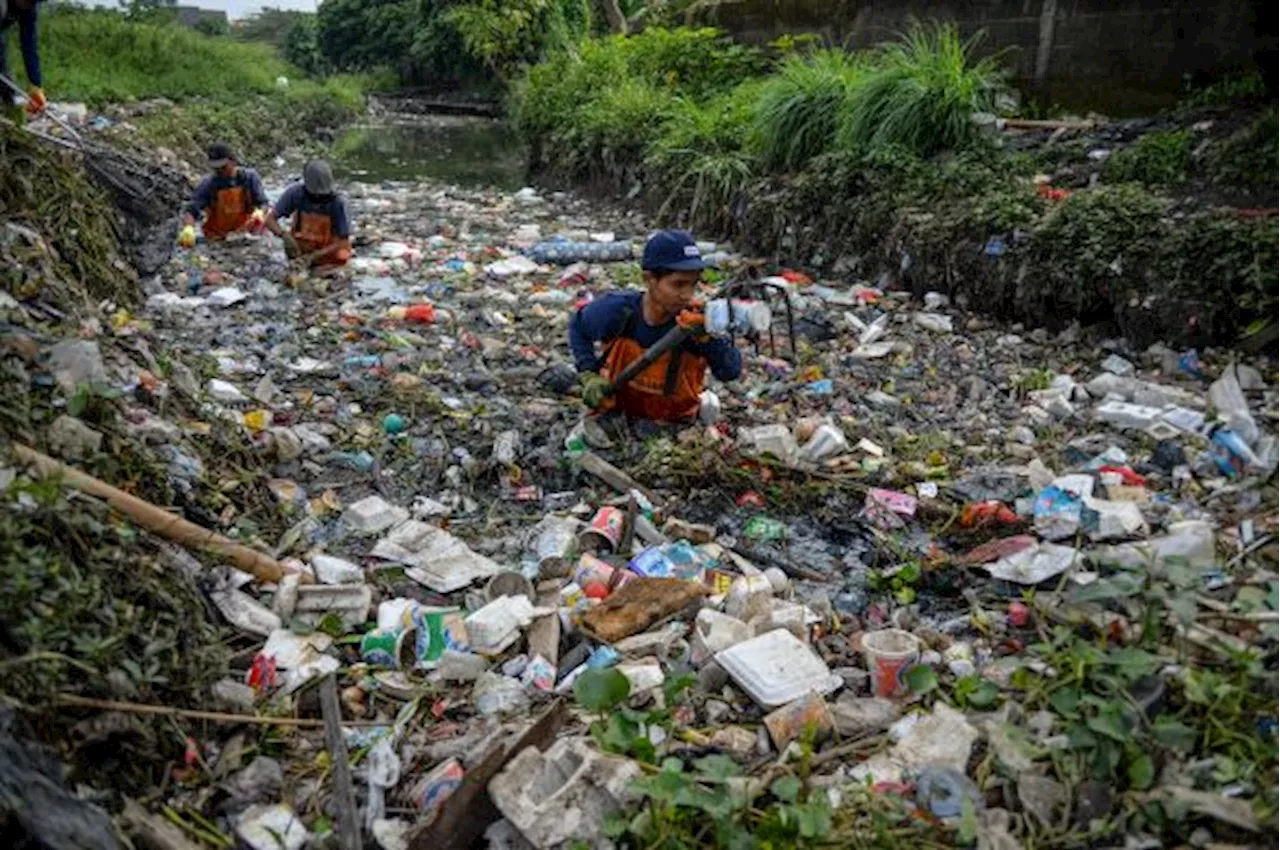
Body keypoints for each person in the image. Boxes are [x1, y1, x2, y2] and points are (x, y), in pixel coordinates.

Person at [569, 230, 742, 423]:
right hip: (619, 412)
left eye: (693, 284)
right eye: (678, 284)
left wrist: (709, 339)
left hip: (674, 423)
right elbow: (578, 326)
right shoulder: (618, 311)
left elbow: (730, 372)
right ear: (649, 279)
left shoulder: (694, 323)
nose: (687, 294)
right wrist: (589, 373)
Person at [264, 159, 352, 270]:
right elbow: (269, 219)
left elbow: (343, 241)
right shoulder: (295, 194)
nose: (318, 198)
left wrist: (314, 256)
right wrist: (284, 235)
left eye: (322, 195)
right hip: (301, 251)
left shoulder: (338, 203)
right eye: (314, 195)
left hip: (329, 255)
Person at [178, 143, 269, 247]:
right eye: (215, 168)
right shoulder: (208, 184)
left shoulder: (249, 178)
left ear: (233, 161)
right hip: (217, 237)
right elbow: (191, 210)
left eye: (223, 167)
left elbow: (263, 204)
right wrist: (188, 228)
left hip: (247, 233)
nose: (220, 171)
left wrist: (260, 213)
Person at [0, 0, 46, 123]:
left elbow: (29, 45)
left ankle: (10, 121)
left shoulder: (28, 9)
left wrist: (35, 84)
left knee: (6, 85)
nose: (28, 5)